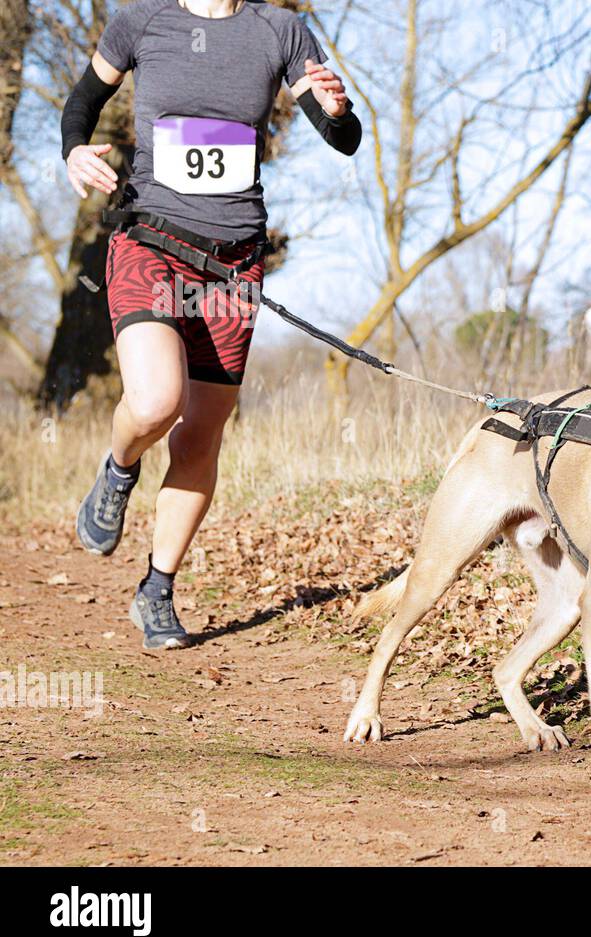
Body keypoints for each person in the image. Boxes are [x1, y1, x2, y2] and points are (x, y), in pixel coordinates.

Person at [61, 0, 361, 649]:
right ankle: (118, 469)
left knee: (201, 433)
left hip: (233, 263)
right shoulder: (141, 22)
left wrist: (340, 115)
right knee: (157, 401)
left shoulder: (279, 30)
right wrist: (73, 151)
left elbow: (341, 135)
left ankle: (158, 590)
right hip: (151, 243)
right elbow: (82, 102)